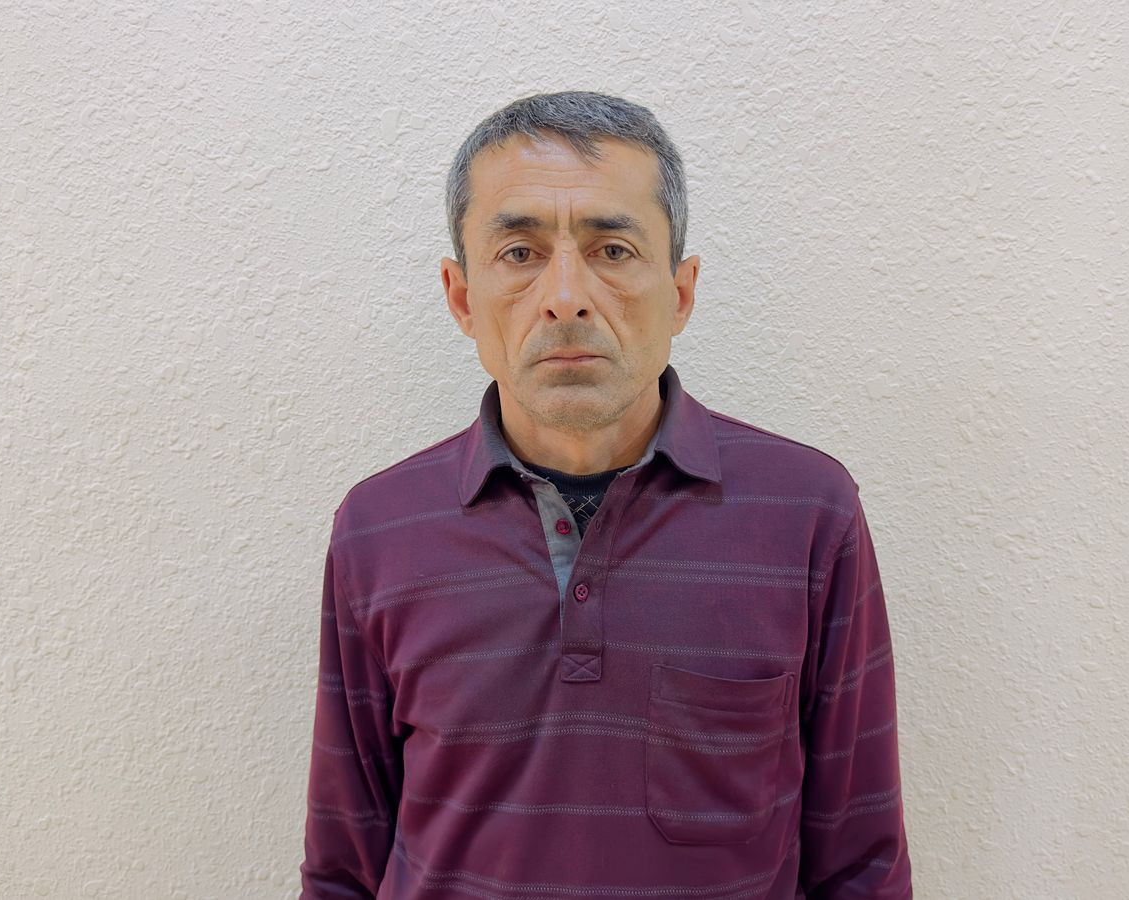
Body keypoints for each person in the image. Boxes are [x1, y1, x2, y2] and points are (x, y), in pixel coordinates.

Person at [299, 90, 912, 899]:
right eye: (519, 252)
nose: (566, 296)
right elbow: (343, 869)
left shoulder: (807, 516)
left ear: (680, 293)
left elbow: (862, 863)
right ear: (461, 298)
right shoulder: (380, 530)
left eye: (613, 250)